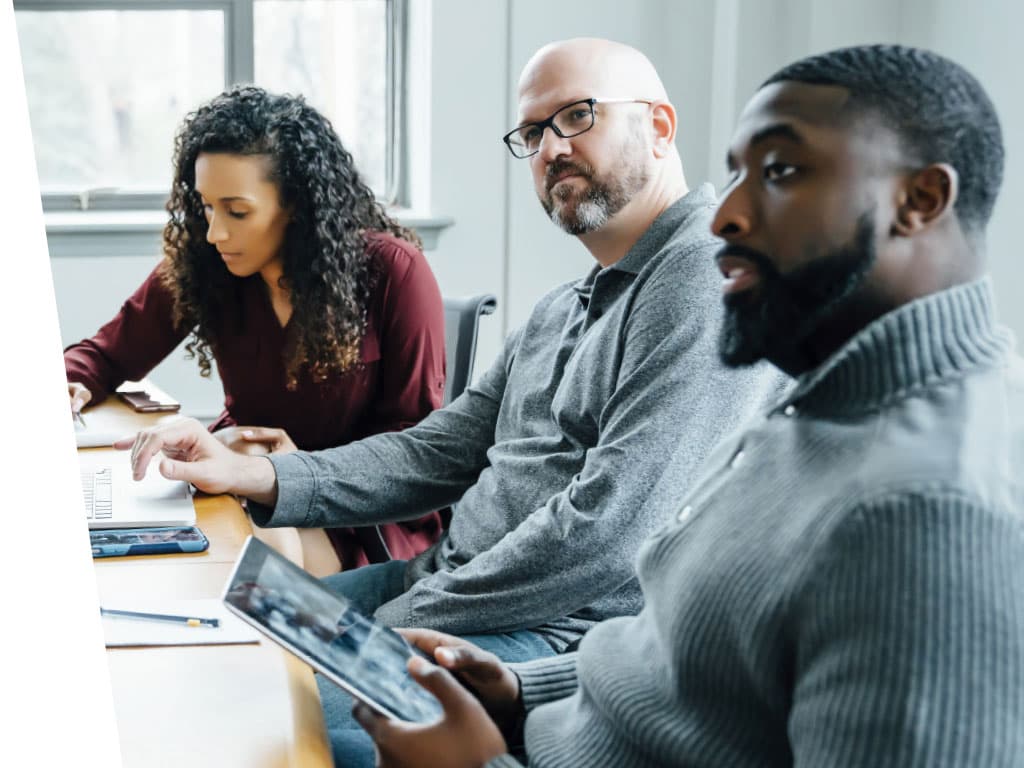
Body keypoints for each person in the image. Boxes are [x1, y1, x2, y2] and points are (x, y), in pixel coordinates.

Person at [350, 44, 1024, 768]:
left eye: (781, 173)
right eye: (736, 174)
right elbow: (701, 662)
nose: (727, 214)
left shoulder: (926, 513)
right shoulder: (825, 403)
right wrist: (520, 691)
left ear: (920, 200)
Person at [122, 38, 785, 766]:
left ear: (660, 126)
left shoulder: (699, 276)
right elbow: (439, 449)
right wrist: (261, 475)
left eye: (577, 116)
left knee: (267, 726)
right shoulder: (566, 303)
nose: (550, 148)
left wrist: (397, 619)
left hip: (543, 632)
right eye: (532, 133)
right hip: (444, 583)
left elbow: (607, 533)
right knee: (214, 651)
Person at [65, 85, 447, 571]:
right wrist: (68, 384)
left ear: (297, 204)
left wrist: (294, 471)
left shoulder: (395, 274)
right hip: (240, 479)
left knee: (257, 562)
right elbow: (107, 353)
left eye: (237, 212)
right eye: (205, 207)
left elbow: (411, 450)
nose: (214, 232)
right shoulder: (205, 263)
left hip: (359, 514)